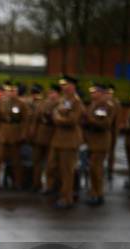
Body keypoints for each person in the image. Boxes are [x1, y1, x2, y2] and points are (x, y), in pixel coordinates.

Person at [46, 75, 84, 209]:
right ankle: (59, 192)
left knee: (67, 171)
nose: (63, 87)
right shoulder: (63, 99)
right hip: (58, 139)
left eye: (66, 84)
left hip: (69, 140)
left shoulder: (76, 101)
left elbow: (73, 120)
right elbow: (54, 112)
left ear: (72, 86)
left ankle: (67, 198)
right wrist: (58, 116)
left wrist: (58, 118)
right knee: (54, 167)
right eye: (62, 84)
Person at [0, 81, 29, 191]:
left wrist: (23, 134)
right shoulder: (1, 101)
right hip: (3, 131)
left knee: (16, 159)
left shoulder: (22, 103)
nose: (11, 93)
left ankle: (18, 183)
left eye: (14, 91)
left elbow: (25, 120)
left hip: (15, 132)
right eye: (9, 90)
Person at [83, 83, 113, 205]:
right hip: (93, 141)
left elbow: (104, 124)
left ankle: (98, 194)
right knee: (92, 169)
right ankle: (94, 192)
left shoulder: (104, 106)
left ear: (101, 93)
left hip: (100, 141)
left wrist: (88, 118)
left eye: (95, 92)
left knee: (96, 170)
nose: (92, 94)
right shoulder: (93, 105)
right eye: (91, 92)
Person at [31, 84, 60, 192]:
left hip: (52, 135)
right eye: (50, 92)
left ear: (57, 94)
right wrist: (33, 132)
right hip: (40, 135)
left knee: (50, 163)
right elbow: (36, 118)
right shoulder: (43, 103)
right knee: (37, 161)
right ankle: (36, 183)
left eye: (53, 93)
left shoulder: (60, 103)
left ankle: (49, 185)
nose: (51, 95)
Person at [105, 83, 121, 180]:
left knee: (111, 151)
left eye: (110, 92)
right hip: (103, 131)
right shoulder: (102, 102)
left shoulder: (116, 103)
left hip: (112, 131)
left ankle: (110, 169)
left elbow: (117, 119)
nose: (108, 94)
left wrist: (115, 132)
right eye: (107, 92)